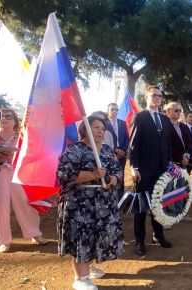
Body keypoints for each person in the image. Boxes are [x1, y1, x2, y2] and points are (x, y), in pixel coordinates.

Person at [56, 115, 124, 290]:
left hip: (103, 204)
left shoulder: (108, 151)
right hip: (80, 205)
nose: (100, 131)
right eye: (95, 127)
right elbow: (64, 176)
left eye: (102, 128)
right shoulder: (74, 150)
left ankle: (89, 266)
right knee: (82, 238)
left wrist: (113, 180)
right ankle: (81, 278)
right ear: (85, 130)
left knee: (98, 236)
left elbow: (118, 171)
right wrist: (93, 175)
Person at [130, 85, 173, 256]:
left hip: (161, 171)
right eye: (153, 95)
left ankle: (158, 235)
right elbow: (134, 145)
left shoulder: (165, 120)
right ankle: (140, 241)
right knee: (141, 208)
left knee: (158, 206)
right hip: (144, 170)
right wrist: (134, 168)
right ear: (146, 98)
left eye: (159, 96)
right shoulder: (140, 117)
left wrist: (169, 165)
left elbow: (168, 144)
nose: (156, 98)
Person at [0, 108, 47, 254]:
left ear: (14, 121)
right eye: (0, 116)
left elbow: (33, 152)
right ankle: (3, 240)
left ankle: (35, 233)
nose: (4, 118)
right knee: (0, 206)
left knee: (25, 202)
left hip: (19, 173)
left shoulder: (21, 136)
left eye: (8, 116)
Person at [106, 103, 130, 199]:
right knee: (109, 177)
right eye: (112, 109)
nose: (114, 111)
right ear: (108, 110)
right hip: (109, 155)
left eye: (116, 110)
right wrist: (116, 150)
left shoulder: (122, 123)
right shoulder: (104, 123)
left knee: (121, 177)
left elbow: (126, 139)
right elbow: (104, 140)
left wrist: (123, 151)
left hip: (122, 156)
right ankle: (110, 198)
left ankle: (120, 200)